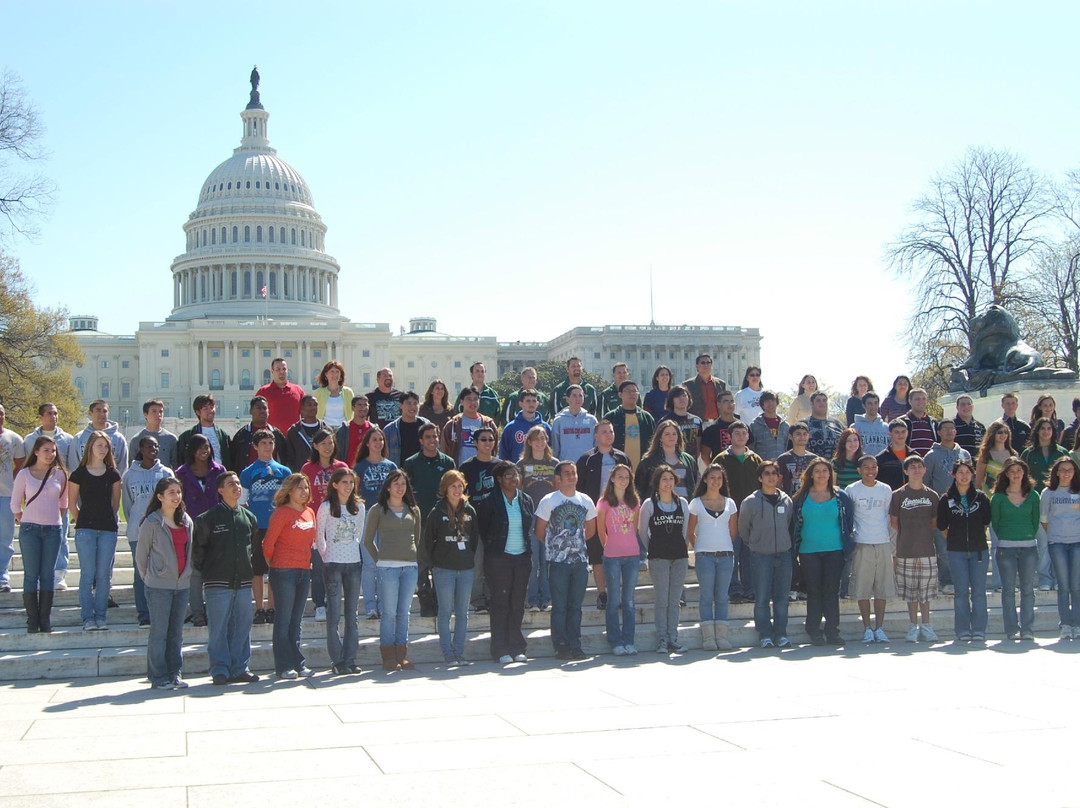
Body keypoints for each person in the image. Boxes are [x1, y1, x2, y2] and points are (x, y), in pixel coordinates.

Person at [192, 472, 260, 685]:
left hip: (243, 582)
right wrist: (211, 572)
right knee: (218, 629)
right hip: (217, 583)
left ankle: (240, 668)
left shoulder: (249, 518)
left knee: (242, 627)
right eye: (231, 484)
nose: (236, 487)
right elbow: (198, 553)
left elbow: (254, 548)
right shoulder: (207, 519)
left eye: (238, 483)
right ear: (220, 490)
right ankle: (220, 669)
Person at [534, 461, 598, 660]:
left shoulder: (585, 500)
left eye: (574, 473)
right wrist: (557, 546)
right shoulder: (549, 501)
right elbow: (539, 531)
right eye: (567, 474)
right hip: (558, 562)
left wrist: (574, 545)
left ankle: (575, 644)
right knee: (560, 606)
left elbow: (591, 530)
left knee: (575, 606)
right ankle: (560, 644)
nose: (571, 476)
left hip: (579, 561)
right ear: (558, 478)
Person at [136, 478, 193, 690]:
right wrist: (153, 577)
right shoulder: (151, 522)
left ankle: (174, 673)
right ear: (160, 496)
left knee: (176, 632)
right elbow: (141, 557)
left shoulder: (187, 521)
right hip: (158, 586)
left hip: (182, 585)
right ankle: (158, 676)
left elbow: (190, 552)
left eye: (178, 492)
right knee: (159, 632)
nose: (176, 496)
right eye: (171, 492)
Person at [363, 469, 422, 671]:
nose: (400, 487)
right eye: (396, 483)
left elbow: (418, 537)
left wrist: (413, 558)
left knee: (404, 612)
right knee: (388, 612)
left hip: (410, 567)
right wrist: (380, 558)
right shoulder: (377, 510)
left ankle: (401, 655)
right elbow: (368, 540)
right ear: (388, 487)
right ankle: (388, 656)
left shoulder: (413, 510)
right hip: (387, 568)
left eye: (403, 484)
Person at [791, 458, 854, 646]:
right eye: (817, 471)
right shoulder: (801, 497)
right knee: (814, 591)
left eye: (824, 471)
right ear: (810, 474)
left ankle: (832, 631)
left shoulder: (840, 496)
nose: (821, 474)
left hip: (835, 550)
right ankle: (813, 630)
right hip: (809, 551)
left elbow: (848, 522)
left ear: (830, 474)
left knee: (831, 591)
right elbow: (794, 523)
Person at [420, 470, 479, 665]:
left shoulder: (470, 511)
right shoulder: (436, 513)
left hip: (465, 568)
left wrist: (468, 557)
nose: (457, 489)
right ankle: (448, 653)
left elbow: (474, 540)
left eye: (460, 485)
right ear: (445, 489)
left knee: (463, 612)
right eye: (453, 486)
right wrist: (432, 564)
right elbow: (428, 541)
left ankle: (459, 652)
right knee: (445, 612)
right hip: (443, 568)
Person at [477, 461, 534, 663]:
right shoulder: (489, 501)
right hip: (499, 559)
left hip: (522, 558)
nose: (513, 479)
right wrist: (495, 551)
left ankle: (517, 647)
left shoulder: (525, 500)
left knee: (517, 603)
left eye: (516, 475)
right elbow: (483, 530)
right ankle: (500, 650)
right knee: (500, 603)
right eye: (508, 476)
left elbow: (528, 528)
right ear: (499, 479)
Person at [11, 436, 68, 632]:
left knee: (47, 574)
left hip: (53, 530)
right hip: (30, 530)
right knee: (31, 575)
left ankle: (45, 619)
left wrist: (52, 520)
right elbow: (15, 504)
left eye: (53, 451)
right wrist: (25, 520)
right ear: (36, 452)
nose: (50, 454)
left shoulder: (60, 475)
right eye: (46, 450)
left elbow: (63, 504)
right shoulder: (25, 474)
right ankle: (32, 619)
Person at [262, 473, 316, 679]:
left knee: (296, 620)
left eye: (306, 487)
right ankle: (283, 665)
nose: (304, 492)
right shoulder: (281, 513)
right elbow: (268, 546)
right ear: (289, 490)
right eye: (300, 487)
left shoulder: (310, 512)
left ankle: (298, 663)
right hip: (283, 572)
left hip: (304, 570)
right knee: (283, 620)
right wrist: (275, 565)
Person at [68, 431, 122, 631]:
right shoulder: (78, 473)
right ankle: (87, 617)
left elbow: (115, 504)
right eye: (99, 445)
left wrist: (105, 517)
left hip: (107, 529)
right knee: (87, 574)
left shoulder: (113, 474)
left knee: (103, 575)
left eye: (106, 446)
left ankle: (101, 616)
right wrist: (83, 518)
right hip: (85, 530)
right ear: (90, 446)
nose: (103, 449)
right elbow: (72, 503)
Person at [315, 468, 365, 674]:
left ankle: (350, 658)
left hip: (353, 564)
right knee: (334, 614)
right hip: (333, 564)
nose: (348, 486)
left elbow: (359, 534)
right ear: (335, 484)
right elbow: (319, 535)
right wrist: (326, 556)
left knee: (351, 614)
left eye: (351, 482)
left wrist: (352, 552)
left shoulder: (359, 508)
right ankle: (337, 660)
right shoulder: (326, 507)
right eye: (344, 482)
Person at [739, 460, 795, 648]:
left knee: (781, 599)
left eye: (774, 473)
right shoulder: (750, 502)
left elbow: (788, 523)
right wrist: (756, 544)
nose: (771, 477)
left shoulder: (787, 500)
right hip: (761, 556)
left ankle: (781, 634)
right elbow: (744, 529)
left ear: (779, 477)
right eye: (767, 473)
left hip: (784, 555)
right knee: (762, 598)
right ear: (760, 477)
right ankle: (765, 634)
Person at [239, 430, 292, 625]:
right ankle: (259, 608)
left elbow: (288, 500)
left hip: (278, 526)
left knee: (275, 568)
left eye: (271, 443)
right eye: (263, 443)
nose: (268, 447)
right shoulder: (248, 472)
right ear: (255, 446)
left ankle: (272, 607)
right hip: (256, 526)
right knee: (257, 569)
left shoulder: (284, 472)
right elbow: (242, 502)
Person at [22, 403, 76, 589]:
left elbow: (71, 468)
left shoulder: (67, 439)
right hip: (36, 497)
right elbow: (25, 468)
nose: (53, 417)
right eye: (49, 414)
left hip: (59, 494)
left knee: (61, 536)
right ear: (40, 417)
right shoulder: (29, 440)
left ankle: (59, 574)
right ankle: (37, 576)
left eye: (55, 413)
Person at [122, 436, 174, 627]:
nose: (153, 449)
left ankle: (161, 612)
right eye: (149, 446)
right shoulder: (129, 475)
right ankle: (144, 615)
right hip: (138, 532)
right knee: (141, 574)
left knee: (162, 573)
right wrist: (136, 522)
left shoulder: (166, 473)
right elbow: (128, 505)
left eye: (156, 446)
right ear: (140, 448)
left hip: (163, 531)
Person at [637, 465, 690, 654]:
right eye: (664, 479)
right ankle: (661, 640)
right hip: (658, 557)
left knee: (674, 600)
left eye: (670, 479)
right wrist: (653, 548)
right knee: (662, 600)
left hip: (679, 557)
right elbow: (642, 532)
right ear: (657, 482)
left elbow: (684, 532)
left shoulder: (682, 503)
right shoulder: (649, 505)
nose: (667, 483)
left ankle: (673, 638)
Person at [174, 433, 226, 627]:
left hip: (217, 527)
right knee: (195, 574)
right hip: (192, 528)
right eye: (200, 448)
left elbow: (225, 498)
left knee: (215, 573)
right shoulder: (181, 473)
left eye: (207, 447)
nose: (204, 451)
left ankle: (214, 612)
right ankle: (197, 614)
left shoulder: (219, 471)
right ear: (192, 450)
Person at [938, 459, 992, 642]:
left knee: (978, 591)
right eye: (960, 472)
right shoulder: (946, 499)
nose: (964, 476)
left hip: (978, 551)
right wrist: (957, 540)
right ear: (954, 475)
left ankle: (978, 629)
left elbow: (986, 521)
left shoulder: (981, 497)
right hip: (956, 552)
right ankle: (962, 629)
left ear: (972, 474)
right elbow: (942, 526)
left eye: (967, 472)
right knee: (961, 592)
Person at [889, 456, 942, 642]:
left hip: (927, 549)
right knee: (911, 592)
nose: (916, 470)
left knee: (926, 592)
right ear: (906, 471)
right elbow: (894, 522)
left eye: (920, 466)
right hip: (905, 550)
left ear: (925, 470)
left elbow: (934, 522)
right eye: (912, 467)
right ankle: (913, 625)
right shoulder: (898, 495)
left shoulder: (932, 495)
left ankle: (926, 625)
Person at [846, 455, 897, 643]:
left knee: (882, 589)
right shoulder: (852, 490)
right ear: (859, 470)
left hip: (883, 543)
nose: (870, 470)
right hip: (862, 543)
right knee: (863, 589)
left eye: (874, 467)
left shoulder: (885, 489)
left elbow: (888, 517)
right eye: (866, 467)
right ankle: (867, 628)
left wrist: (893, 547)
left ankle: (880, 627)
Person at [688, 464, 738, 651]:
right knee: (706, 596)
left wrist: (723, 545)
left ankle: (722, 636)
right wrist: (701, 547)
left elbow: (733, 531)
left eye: (719, 478)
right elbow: (690, 531)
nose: (716, 481)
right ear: (705, 480)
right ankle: (709, 637)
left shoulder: (730, 503)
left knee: (722, 596)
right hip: (704, 557)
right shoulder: (696, 503)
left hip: (726, 556)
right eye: (712, 478)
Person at [301, 428, 349, 621]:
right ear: (315, 446)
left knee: (337, 565)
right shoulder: (307, 469)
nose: (327, 447)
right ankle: (319, 604)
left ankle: (334, 601)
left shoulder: (341, 466)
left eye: (330, 443)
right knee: (320, 565)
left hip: (338, 522)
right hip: (316, 522)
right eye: (323, 444)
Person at [991, 457, 1041, 640]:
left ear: (1025, 472)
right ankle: (1012, 629)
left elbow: (1035, 522)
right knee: (1008, 590)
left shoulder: (1034, 496)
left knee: (1028, 590)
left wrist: (1025, 535)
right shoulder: (998, 498)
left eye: (1019, 470)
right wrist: (1009, 536)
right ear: (1005, 474)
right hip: (1006, 549)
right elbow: (995, 523)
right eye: (1012, 471)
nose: (1016, 474)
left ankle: (1027, 629)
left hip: (1028, 548)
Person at [595, 463, 641, 655]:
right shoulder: (604, 502)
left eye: (627, 477)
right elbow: (600, 531)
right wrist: (609, 546)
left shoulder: (634, 501)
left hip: (632, 554)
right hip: (612, 556)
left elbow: (636, 527)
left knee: (629, 601)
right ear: (612, 479)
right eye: (620, 476)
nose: (623, 480)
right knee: (613, 600)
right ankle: (615, 641)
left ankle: (629, 640)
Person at [923, 419, 972, 593]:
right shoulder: (930, 456)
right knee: (943, 548)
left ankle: (963, 579)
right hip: (940, 510)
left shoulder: (964, 454)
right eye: (946, 429)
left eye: (952, 429)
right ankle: (946, 580)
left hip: (963, 508)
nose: (949, 432)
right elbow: (925, 484)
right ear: (939, 432)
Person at [353, 426, 395, 619]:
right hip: (367, 516)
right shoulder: (360, 466)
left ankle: (385, 604)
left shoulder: (391, 467)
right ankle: (370, 605)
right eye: (374, 440)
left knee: (385, 563)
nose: (378, 443)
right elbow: (354, 494)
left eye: (381, 439)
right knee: (369, 564)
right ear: (367, 443)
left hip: (387, 516)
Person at [1041, 457, 1080, 640]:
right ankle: (1065, 623)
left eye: (1070, 470)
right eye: (1063, 469)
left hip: (1077, 542)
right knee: (1063, 585)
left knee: (1076, 586)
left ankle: (1077, 623)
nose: (1066, 473)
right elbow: (1044, 519)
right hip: (1057, 543)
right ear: (1056, 472)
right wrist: (1057, 534)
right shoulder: (1048, 493)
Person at [976, 421, 1017, 591]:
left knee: (1010, 544)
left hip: (1010, 503)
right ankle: (998, 582)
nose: (1002, 435)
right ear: (992, 434)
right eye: (999, 432)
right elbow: (978, 483)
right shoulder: (985, 455)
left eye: (1005, 432)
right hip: (991, 503)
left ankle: (1010, 581)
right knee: (997, 543)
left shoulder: (1013, 454)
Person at [635, 420, 700, 501]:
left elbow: (695, 483)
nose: (671, 437)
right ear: (660, 438)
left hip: (685, 507)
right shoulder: (649, 461)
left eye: (674, 434)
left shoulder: (689, 460)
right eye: (667, 434)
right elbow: (639, 488)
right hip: (658, 508)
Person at [0, 404, 25, 594]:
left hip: (6, 496)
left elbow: (20, 465)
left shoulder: (14, 438)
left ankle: (2, 577)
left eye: (1, 414)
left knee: (5, 539)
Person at [441, 386, 499, 466]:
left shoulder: (488, 424)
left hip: (483, 470)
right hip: (460, 471)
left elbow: (495, 448)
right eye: (469, 399)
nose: (472, 402)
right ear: (461, 402)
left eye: (475, 399)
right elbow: (444, 449)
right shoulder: (453, 425)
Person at [69, 400, 129, 476]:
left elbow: (123, 465)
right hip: (85, 484)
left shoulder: (119, 438)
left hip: (110, 484)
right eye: (98, 410)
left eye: (105, 411)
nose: (102, 414)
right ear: (90, 413)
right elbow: (73, 465)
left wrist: (116, 482)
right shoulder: (79, 438)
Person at [606, 380, 655, 470]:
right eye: (628, 391)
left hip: (642, 468)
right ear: (620, 394)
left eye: (634, 391)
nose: (631, 394)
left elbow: (654, 442)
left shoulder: (647, 418)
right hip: (616, 467)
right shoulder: (611, 417)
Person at [177, 394, 233, 472]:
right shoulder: (187, 436)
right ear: (198, 412)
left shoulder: (223, 435)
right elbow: (181, 460)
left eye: (212, 407)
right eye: (205, 408)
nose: (210, 411)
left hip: (219, 476)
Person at [230, 396, 287, 472]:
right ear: (251, 411)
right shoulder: (241, 435)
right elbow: (233, 460)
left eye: (265, 408)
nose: (262, 411)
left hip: (274, 479)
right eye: (258, 408)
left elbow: (285, 457)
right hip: (248, 480)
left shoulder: (276, 434)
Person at [256, 357, 305, 434]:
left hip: (294, 438)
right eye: (278, 369)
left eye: (284, 369)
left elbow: (304, 414)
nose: (282, 371)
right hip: (271, 439)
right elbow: (257, 415)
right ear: (272, 371)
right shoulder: (263, 392)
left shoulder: (298, 390)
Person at [551, 385, 598, 463]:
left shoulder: (592, 420)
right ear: (567, 399)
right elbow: (555, 447)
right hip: (566, 465)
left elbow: (597, 444)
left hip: (588, 465)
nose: (578, 399)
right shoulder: (558, 421)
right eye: (574, 396)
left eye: (580, 396)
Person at [499, 389, 549, 463]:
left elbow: (551, 450)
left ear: (537, 404)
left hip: (541, 470)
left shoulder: (545, 427)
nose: (531, 404)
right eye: (528, 401)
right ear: (521, 404)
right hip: (517, 470)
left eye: (534, 401)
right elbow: (504, 453)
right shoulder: (510, 428)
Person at [128, 399, 179, 470]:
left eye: (161, 412)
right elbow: (132, 466)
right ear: (145, 414)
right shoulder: (136, 439)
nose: (158, 415)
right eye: (154, 411)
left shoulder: (171, 439)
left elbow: (175, 465)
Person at [657, 385, 703, 461]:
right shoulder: (665, 421)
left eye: (684, 396)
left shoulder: (697, 420)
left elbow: (698, 444)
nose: (681, 399)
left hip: (691, 463)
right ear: (672, 400)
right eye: (677, 397)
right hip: (670, 463)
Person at [384, 391, 429, 466]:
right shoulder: (390, 430)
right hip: (399, 471)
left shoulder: (426, 425)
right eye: (409, 403)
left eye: (415, 403)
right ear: (400, 405)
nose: (412, 407)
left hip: (422, 470)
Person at [284, 395, 325, 473]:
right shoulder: (293, 432)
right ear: (302, 408)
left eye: (315, 405)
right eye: (309, 405)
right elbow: (290, 457)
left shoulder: (325, 429)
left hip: (322, 476)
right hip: (302, 477)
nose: (313, 407)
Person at [683, 354, 727, 426]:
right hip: (697, 423)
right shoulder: (688, 385)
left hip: (717, 423)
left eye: (708, 362)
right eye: (703, 363)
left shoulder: (721, 384)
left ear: (711, 366)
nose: (706, 365)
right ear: (697, 366)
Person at [777, 422, 817, 497]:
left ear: (808, 436)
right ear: (790, 436)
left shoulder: (814, 459)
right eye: (798, 434)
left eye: (805, 434)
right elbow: (778, 483)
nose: (802, 437)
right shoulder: (783, 459)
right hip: (789, 501)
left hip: (809, 500)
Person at [699, 389, 739, 464]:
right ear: (718, 404)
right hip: (720, 471)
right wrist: (713, 470)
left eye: (732, 401)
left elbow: (750, 448)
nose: (730, 404)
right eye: (726, 401)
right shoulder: (710, 430)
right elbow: (704, 455)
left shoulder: (742, 427)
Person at [747, 390, 788, 461]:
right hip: (762, 466)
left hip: (781, 467)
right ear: (762, 404)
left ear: (777, 403)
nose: (770, 403)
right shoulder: (755, 425)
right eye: (767, 401)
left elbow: (787, 447)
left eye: (773, 400)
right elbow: (751, 448)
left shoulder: (785, 425)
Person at [313, 360, 354, 429]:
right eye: (332, 371)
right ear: (326, 374)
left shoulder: (348, 392)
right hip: (325, 430)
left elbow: (354, 411)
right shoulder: (318, 393)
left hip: (344, 430)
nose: (335, 374)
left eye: (337, 372)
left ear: (341, 375)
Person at [335, 395, 374, 468]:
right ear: (353, 408)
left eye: (365, 405)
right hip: (348, 472)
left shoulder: (373, 429)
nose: (363, 408)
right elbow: (337, 454)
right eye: (359, 405)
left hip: (368, 471)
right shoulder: (344, 430)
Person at [900, 388, 938, 457]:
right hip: (910, 464)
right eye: (917, 399)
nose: (921, 401)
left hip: (930, 464)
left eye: (924, 399)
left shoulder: (933, 422)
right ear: (910, 401)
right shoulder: (902, 421)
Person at [806, 392, 844, 459]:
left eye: (824, 400)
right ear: (811, 404)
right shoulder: (804, 424)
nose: (822, 403)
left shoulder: (838, 424)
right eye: (818, 400)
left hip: (836, 466)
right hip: (812, 465)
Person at [875, 420, 911, 490]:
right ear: (890, 433)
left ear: (907, 433)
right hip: (889, 497)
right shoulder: (881, 458)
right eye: (896, 432)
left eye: (903, 432)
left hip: (911, 497)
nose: (900, 435)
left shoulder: (914, 455)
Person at [854, 391, 890, 459]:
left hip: (883, 465)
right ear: (864, 405)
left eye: (875, 403)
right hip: (864, 466)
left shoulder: (887, 427)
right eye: (870, 403)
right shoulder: (855, 427)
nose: (873, 406)